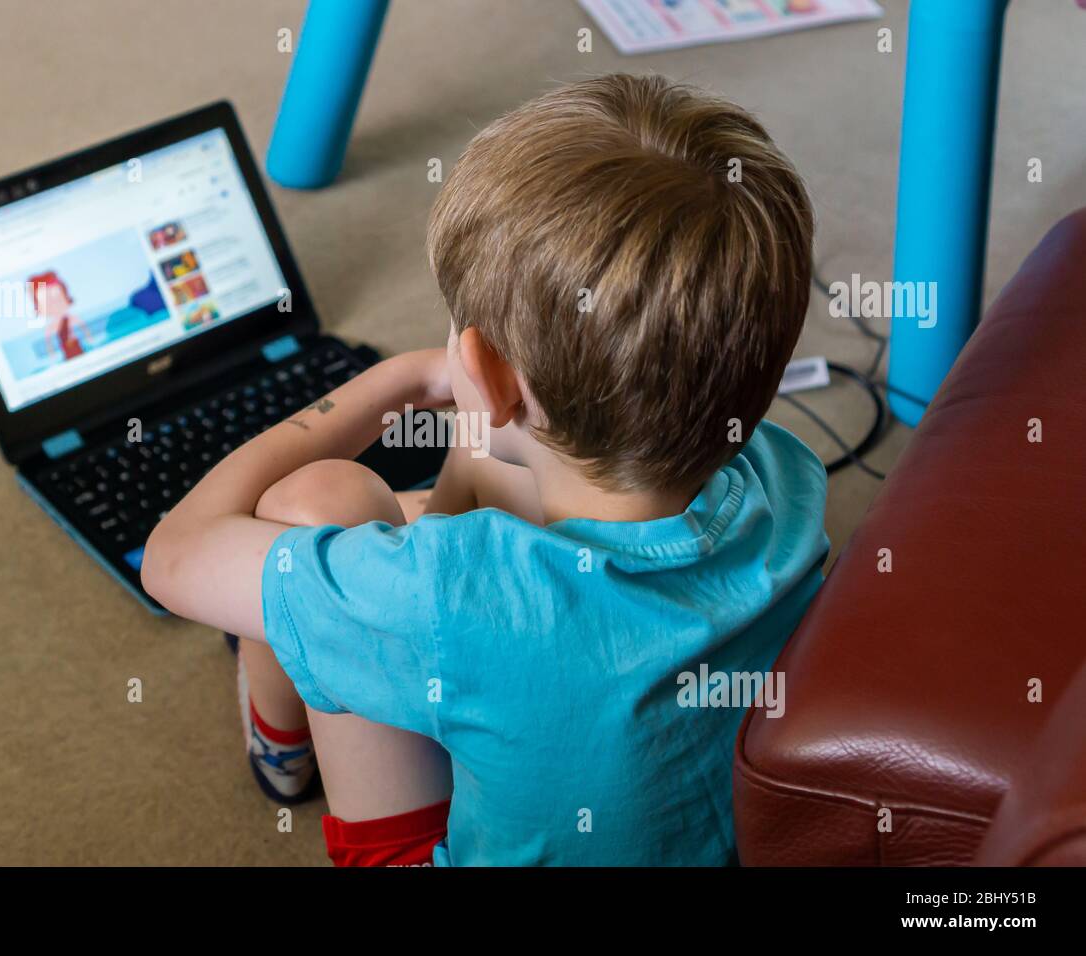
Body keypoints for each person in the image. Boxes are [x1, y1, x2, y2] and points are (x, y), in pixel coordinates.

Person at [142, 74, 829, 866]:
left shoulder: (446, 596)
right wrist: (478, 407)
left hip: (466, 652)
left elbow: (174, 554)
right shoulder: (788, 477)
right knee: (476, 463)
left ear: (488, 372)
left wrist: (397, 380)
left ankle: (280, 750)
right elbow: (488, 469)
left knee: (307, 502)